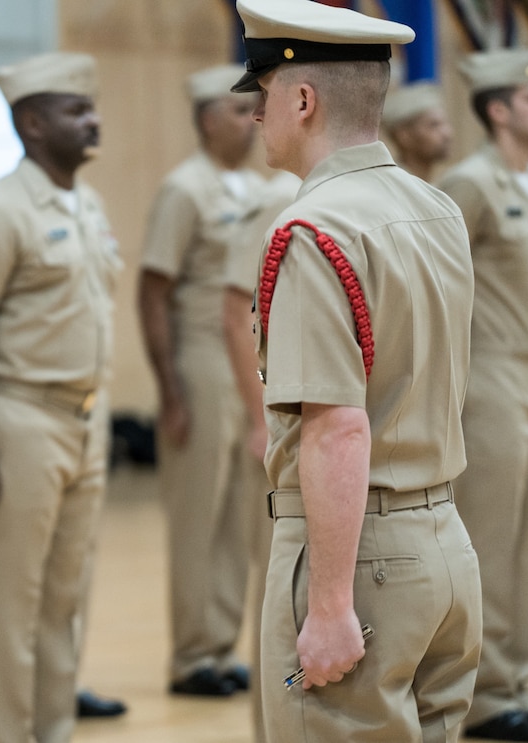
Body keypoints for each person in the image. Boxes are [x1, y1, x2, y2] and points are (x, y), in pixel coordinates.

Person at [231, 0, 484, 740]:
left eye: (263, 95)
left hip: (358, 557)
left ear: (301, 100)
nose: (255, 115)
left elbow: (338, 426)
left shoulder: (311, 228)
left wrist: (331, 602)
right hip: (443, 542)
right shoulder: (435, 207)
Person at [0, 51, 122, 743]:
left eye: (91, 106)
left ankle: (53, 730)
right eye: (77, 111)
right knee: (12, 609)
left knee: (63, 603)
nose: (93, 120)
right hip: (21, 420)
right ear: (33, 124)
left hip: (86, 418)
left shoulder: (87, 203)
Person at [438, 48, 528, 742]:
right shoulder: (470, 182)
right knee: (485, 538)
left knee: (527, 541)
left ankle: (516, 680)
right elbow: (441, 291)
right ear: (496, 109)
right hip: (486, 376)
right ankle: (480, 693)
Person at [137, 63, 264, 698]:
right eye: (241, 112)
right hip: (199, 356)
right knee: (197, 513)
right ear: (209, 118)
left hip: (244, 358)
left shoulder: (256, 186)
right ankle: (191, 656)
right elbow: (153, 290)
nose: (253, 122)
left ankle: (220, 643)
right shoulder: (184, 189)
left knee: (238, 510)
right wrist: (170, 389)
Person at [220, 167, 299, 743]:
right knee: (284, 590)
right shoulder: (278, 200)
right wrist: (259, 419)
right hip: (290, 428)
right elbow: (233, 312)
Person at [381, 82, 453, 182]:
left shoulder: (433, 184)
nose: (447, 134)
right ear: (404, 136)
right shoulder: (394, 185)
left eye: (445, 123)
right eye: (433, 125)